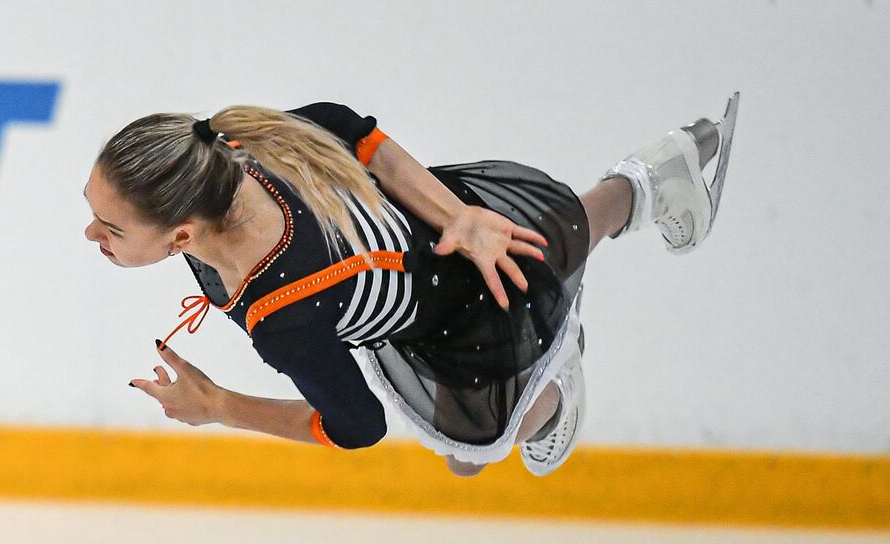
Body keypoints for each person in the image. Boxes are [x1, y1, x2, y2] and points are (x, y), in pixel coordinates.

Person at [93, 96, 739, 477]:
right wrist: (455, 212)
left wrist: (219, 407)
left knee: (473, 451)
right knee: (553, 232)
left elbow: (357, 426)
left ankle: (551, 372)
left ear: (180, 236)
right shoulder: (235, 149)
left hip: (455, 314)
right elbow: (345, 127)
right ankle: (653, 175)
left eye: (109, 228)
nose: (93, 237)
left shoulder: (281, 315)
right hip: (443, 221)